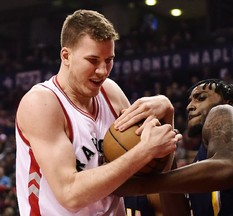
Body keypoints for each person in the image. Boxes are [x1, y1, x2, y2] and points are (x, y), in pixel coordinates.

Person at [15, 9, 181, 215]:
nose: (103, 70)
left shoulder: (111, 93)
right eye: (93, 60)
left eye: (109, 60)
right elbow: (70, 194)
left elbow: (153, 174)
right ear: (66, 56)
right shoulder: (42, 103)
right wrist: (144, 151)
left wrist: (167, 116)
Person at [114, 79, 233, 215]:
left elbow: (228, 167)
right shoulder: (200, 166)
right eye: (189, 101)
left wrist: (139, 185)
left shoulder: (225, 111)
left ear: (228, 102)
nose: (190, 106)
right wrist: (166, 157)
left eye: (201, 98)